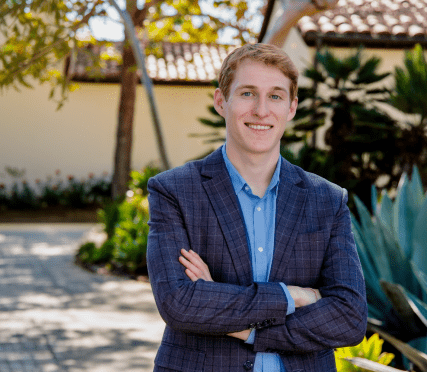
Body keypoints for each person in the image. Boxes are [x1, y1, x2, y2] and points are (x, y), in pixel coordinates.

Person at [146, 43, 367, 372]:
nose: (262, 110)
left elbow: (349, 317)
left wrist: (246, 328)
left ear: (291, 107)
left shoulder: (327, 199)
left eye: (275, 96)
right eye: (248, 93)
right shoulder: (174, 190)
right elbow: (179, 303)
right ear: (222, 102)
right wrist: (294, 296)